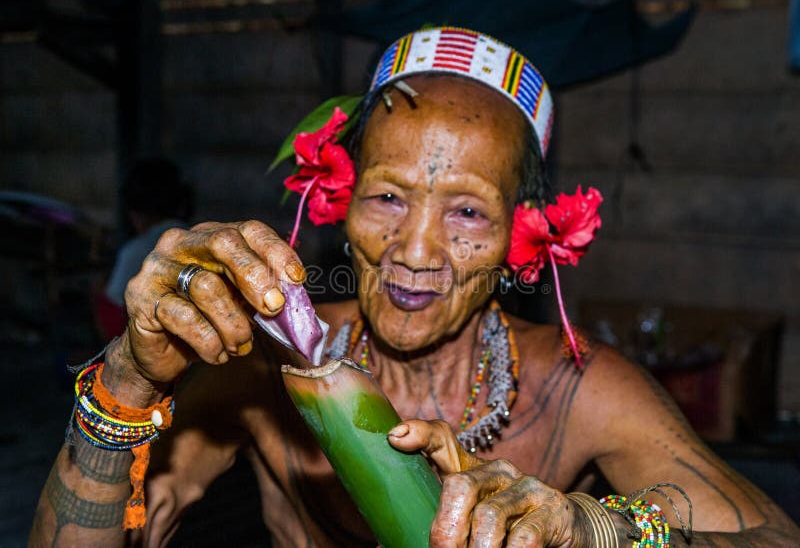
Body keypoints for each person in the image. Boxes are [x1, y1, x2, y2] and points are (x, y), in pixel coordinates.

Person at [30, 27, 798, 547]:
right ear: (339, 200)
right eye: (388, 197)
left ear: (522, 237)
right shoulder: (265, 371)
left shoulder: (578, 390)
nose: (417, 250)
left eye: (466, 210)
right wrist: (125, 383)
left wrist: (598, 529)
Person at [93, 158, 193, 339]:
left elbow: (113, 325)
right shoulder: (195, 237)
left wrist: (98, 293)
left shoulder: (136, 250)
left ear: (134, 212)